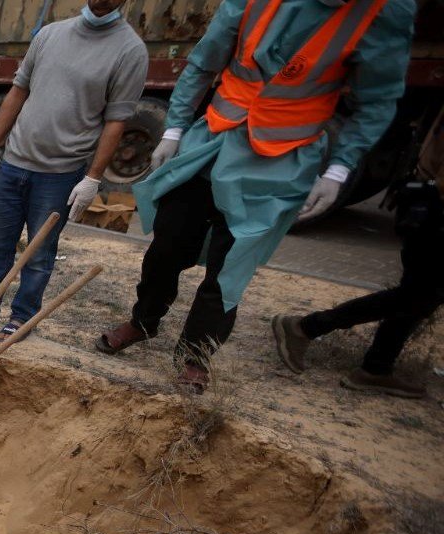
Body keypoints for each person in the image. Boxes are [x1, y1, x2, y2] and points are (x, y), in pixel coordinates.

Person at [103, 0, 413, 394]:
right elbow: (204, 62)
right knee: (168, 243)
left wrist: (337, 170)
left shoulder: (383, 13)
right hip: (213, 141)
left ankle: (195, 357)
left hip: (282, 160)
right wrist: (174, 128)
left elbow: (376, 103)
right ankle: (143, 322)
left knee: (232, 265)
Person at [0, 0, 146, 343]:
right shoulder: (49, 35)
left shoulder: (129, 50)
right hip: (15, 162)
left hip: (60, 172)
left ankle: (23, 317)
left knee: (40, 253)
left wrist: (92, 177)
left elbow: (116, 121)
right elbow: (19, 90)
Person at [272, 153, 441, 398]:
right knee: (418, 294)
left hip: (429, 204)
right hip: (435, 213)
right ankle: (306, 327)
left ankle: (376, 368)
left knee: (420, 295)